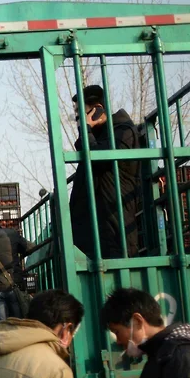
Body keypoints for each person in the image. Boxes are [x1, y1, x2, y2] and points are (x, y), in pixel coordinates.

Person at [69, 84, 140, 259]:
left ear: (98, 110)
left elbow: (99, 159)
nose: (78, 118)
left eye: (81, 112)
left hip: (114, 232)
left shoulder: (123, 133)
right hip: (97, 233)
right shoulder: (100, 136)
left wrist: (86, 130)